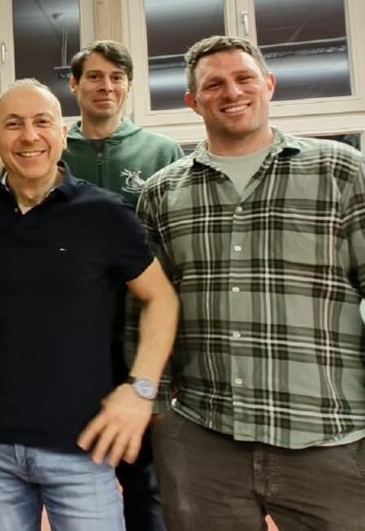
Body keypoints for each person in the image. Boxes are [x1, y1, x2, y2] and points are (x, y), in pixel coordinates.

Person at [139, 35, 365, 530]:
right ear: (193, 102)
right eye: (214, 85)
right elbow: (147, 306)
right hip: (204, 437)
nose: (232, 92)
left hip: (329, 436)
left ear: (269, 84)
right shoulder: (162, 192)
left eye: (244, 78)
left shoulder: (340, 170)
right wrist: (154, 405)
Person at [0, 79, 179, 531]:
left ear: (62, 133)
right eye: (13, 124)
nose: (29, 136)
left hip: (82, 444)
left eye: (42, 122)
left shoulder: (105, 214)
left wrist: (140, 389)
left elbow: (162, 299)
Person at [62, 40, 183, 531]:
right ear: (74, 85)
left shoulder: (161, 152)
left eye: (116, 78)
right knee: (72, 466)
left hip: (139, 332)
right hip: (71, 337)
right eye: (94, 76)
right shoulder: (53, 147)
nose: (105, 86)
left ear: (129, 87)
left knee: (144, 474)